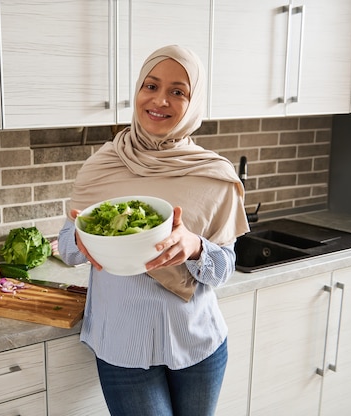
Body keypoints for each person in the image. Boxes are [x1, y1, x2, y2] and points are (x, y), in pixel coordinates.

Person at [56, 45, 249, 416]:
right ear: (138, 91)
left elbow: (224, 269)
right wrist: (84, 238)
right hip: (123, 349)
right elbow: (67, 247)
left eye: (178, 91)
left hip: (198, 345)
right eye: (151, 85)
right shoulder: (103, 165)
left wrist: (194, 246)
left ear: (193, 103)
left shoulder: (214, 175)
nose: (160, 100)